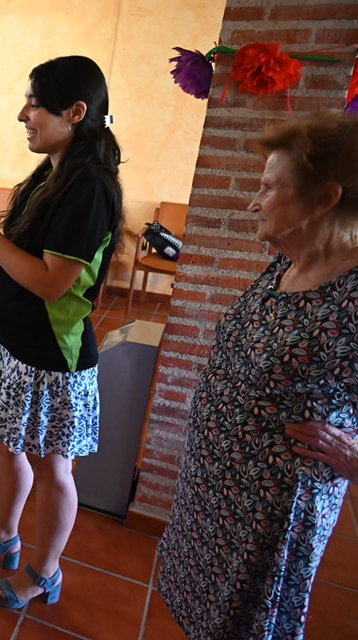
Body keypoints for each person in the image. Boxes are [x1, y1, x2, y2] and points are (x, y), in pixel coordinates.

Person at [157, 110, 358, 640]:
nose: (253, 201)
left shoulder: (353, 298)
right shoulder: (287, 261)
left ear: (325, 199)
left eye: (269, 188)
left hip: (267, 517)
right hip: (215, 494)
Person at [0, 56, 123, 608]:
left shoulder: (89, 186)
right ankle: (4, 535)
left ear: (75, 112)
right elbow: (28, 248)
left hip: (54, 359)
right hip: (15, 346)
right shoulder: (54, 171)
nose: (23, 114)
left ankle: (46, 571)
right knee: (6, 445)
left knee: (52, 468)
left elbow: (52, 283)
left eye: (34, 104)